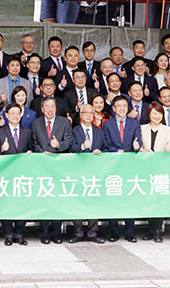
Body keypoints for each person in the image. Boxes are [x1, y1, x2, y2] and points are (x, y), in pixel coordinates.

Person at [30, 97, 72, 244]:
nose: (50, 109)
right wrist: (43, 152)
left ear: (56, 108)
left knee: (57, 199)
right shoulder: (35, 123)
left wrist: (58, 145)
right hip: (42, 165)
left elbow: (69, 142)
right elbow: (34, 143)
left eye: (52, 106)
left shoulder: (64, 122)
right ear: (42, 109)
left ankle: (56, 233)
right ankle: (44, 233)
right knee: (44, 198)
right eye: (47, 106)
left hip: (58, 166)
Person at [0, 103, 31, 246]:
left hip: (22, 174)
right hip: (6, 174)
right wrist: (1, 149)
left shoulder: (27, 132)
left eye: (17, 113)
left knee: (22, 204)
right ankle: (8, 234)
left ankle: (19, 234)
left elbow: (32, 148)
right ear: (7, 116)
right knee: (6, 204)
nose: (15, 116)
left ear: (21, 115)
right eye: (12, 113)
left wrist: (30, 153)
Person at [103, 96, 141, 243]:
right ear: (113, 108)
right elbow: (106, 145)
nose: (122, 108)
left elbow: (138, 141)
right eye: (119, 106)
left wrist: (137, 147)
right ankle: (114, 232)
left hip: (130, 166)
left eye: (124, 105)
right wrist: (115, 150)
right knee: (113, 198)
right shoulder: (108, 124)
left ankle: (130, 232)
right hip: (114, 166)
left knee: (129, 198)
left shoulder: (134, 123)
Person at [69, 104, 106, 244]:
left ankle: (92, 232)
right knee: (77, 201)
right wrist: (82, 147)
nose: (89, 115)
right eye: (86, 113)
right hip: (78, 171)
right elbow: (70, 147)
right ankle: (77, 232)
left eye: (91, 113)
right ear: (80, 115)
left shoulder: (99, 132)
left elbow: (107, 148)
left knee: (93, 201)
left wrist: (100, 152)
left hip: (95, 172)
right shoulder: (74, 131)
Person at [139, 102, 170, 243]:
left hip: (161, 169)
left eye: (159, 114)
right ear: (149, 114)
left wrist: (168, 148)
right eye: (154, 113)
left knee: (159, 199)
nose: (157, 116)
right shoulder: (142, 128)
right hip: (146, 168)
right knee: (148, 199)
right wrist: (143, 150)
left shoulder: (167, 130)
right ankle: (150, 229)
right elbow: (139, 147)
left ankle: (158, 230)